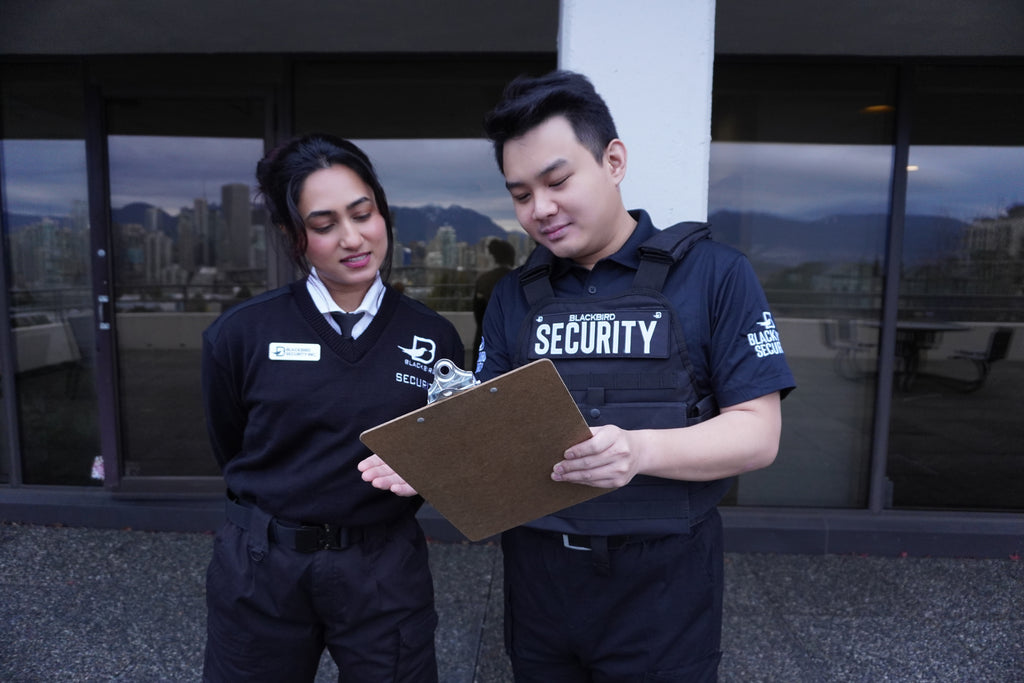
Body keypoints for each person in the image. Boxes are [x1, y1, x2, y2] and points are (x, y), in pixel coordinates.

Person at [362, 70, 795, 681]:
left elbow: (758, 434)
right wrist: (438, 459)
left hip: (664, 584)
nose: (540, 209)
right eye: (519, 194)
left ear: (613, 160)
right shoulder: (516, 295)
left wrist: (640, 450)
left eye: (557, 180)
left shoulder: (714, 275)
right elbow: (492, 429)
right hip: (540, 580)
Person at [201, 133, 463, 682]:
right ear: (293, 237)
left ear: (382, 212)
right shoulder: (241, 334)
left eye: (363, 214)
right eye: (324, 225)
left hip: (383, 566)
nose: (353, 238)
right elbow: (231, 445)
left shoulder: (433, 336)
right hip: (262, 565)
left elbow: (449, 452)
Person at [472, 238, 516, 366]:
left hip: (484, 334)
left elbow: (478, 313)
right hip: (511, 336)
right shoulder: (518, 279)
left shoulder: (484, 280)